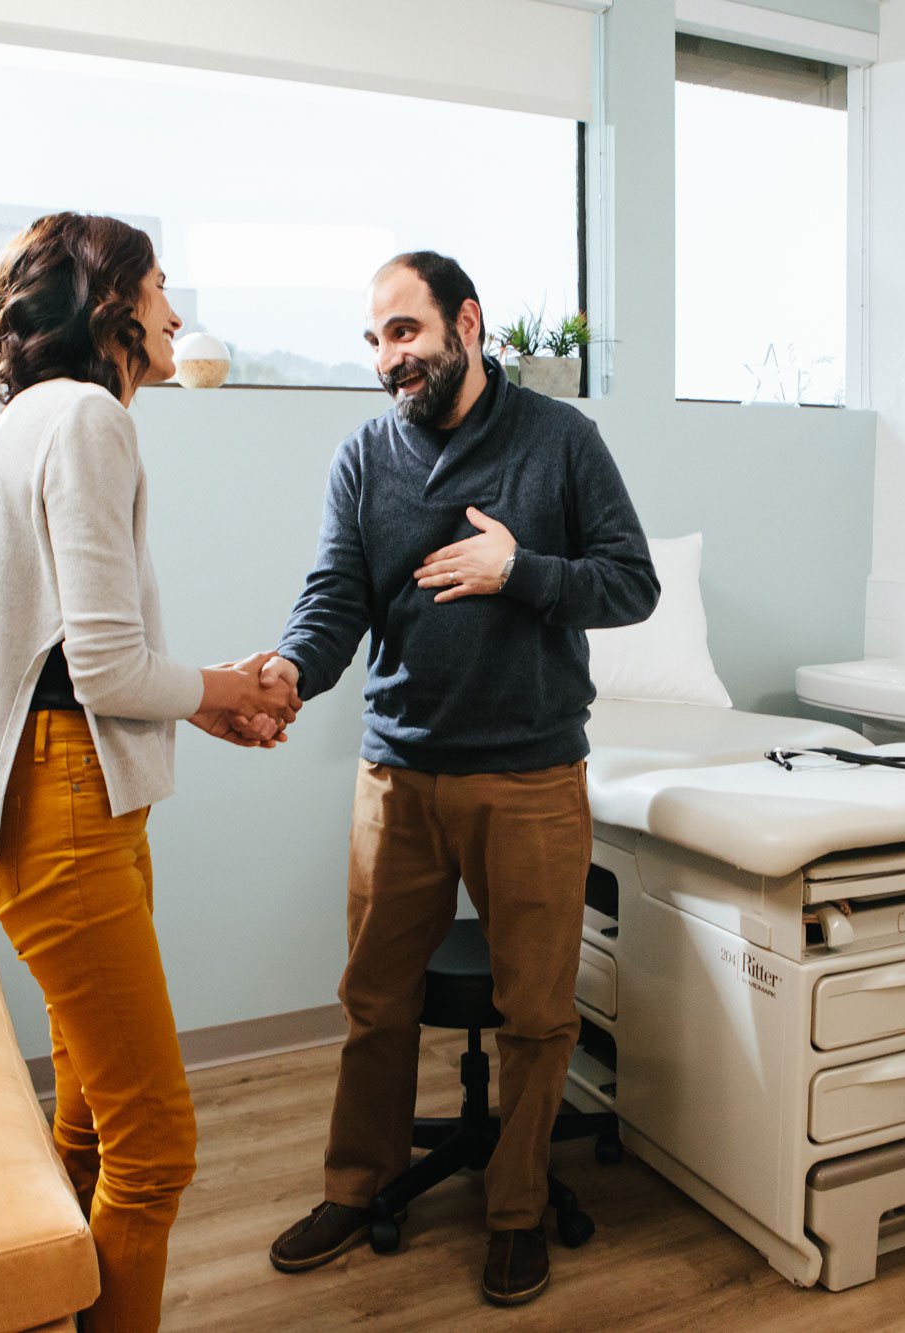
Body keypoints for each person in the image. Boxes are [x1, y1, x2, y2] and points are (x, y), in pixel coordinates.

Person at [263, 251, 659, 1306]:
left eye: (405, 332)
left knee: (536, 1014)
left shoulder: (560, 441)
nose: (388, 358)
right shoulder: (363, 456)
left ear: (466, 325)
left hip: (528, 776)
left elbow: (631, 584)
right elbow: (334, 595)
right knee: (371, 1003)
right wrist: (287, 673)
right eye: (375, 339)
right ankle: (359, 1185)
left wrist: (515, 570)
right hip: (396, 775)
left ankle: (517, 1208)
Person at [0, 211, 300, 1333]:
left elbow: (66, 663)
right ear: (110, 305)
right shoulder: (91, 418)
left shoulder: (28, 418)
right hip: (64, 813)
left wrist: (201, 703)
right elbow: (102, 667)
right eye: (158, 290)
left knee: (95, 1123)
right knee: (154, 1147)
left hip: (46, 796)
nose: (176, 313)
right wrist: (222, 689)